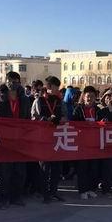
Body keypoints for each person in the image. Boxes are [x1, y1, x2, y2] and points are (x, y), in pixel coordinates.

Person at [0, 71, 31, 209]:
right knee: (4, 171)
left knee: (20, 171)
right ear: (6, 81)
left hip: (20, 139)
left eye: (16, 81)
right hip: (5, 140)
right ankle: (3, 198)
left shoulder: (25, 100)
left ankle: (17, 196)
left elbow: (27, 119)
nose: (13, 84)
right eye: (10, 81)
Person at [31, 75, 65, 203]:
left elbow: (64, 115)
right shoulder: (39, 100)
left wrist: (62, 119)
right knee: (44, 168)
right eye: (56, 87)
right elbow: (34, 117)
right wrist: (46, 120)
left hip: (57, 138)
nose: (58, 90)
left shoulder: (59, 100)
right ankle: (44, 193)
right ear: (49, 87)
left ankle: (54, 191)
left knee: (57, 167)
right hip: (43, 138)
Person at [71, 86, 101, 199]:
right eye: (88, 96)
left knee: (93, 168)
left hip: (95, 143)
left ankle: (91, 188)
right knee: (82, 168)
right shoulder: (78, 109)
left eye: (92, 96)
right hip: (82, 143)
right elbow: (74, 123)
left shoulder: (98, 110)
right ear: (83, 97)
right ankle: (82, 190)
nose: (90, 99)